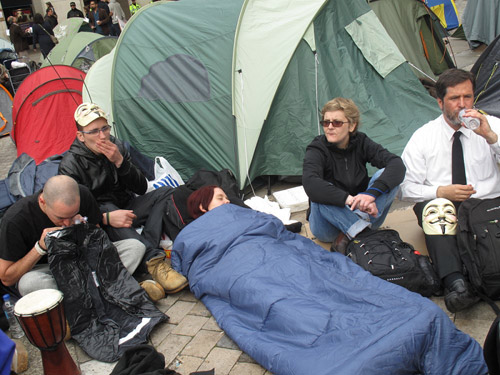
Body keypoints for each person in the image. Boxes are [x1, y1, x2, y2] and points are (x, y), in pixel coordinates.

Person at [58, 102, 188, 296]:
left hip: (127, 205)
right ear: (81, 136)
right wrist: (105, 218)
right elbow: (73, 216)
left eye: (105, 128)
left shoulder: (116, 145)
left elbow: (141, 187)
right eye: (94, 131)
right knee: (109, 207)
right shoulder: (70, 165)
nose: (102, 136)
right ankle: (154, 261)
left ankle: (160, 246)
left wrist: (120, 161)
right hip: (101, 218)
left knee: (166, 192)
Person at [400, 68, 500, 313]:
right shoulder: (424, 137)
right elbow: (404, 188)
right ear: (440, 102)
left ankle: (486, 275)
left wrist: (491, 137)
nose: (463, 105)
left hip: (486, 203)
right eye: (455, 99)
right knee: (436, 210)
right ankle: (455, 283)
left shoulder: (490, 125)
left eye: (468, 97)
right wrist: (439, 191)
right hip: (447, 206)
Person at [0, 175, 146, 297]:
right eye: (61, 218)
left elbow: (100, 243)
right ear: (43, 202)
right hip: (50, 270)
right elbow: (7, 278)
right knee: (29, 283)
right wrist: (39, 248)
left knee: (135, 247)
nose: (66, 222)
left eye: (71, 215)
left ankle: (88, 296)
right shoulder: (16, 220)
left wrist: (85, 231)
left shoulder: (82, 194)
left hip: (84, 261)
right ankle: (106, 291)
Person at [302, 97, 405, 252]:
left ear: (351, 125)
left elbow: (397, 164)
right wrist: (350, 200)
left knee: (386, 174)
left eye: (336, 122)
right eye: (326, 122)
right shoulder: (317, 148)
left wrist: (370, 194)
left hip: (366, 213)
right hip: (328, 227)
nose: (330, 127)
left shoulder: (361, 141)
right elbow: (310, 183)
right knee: (321, 188)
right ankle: (365, 233)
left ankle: (353, 232)